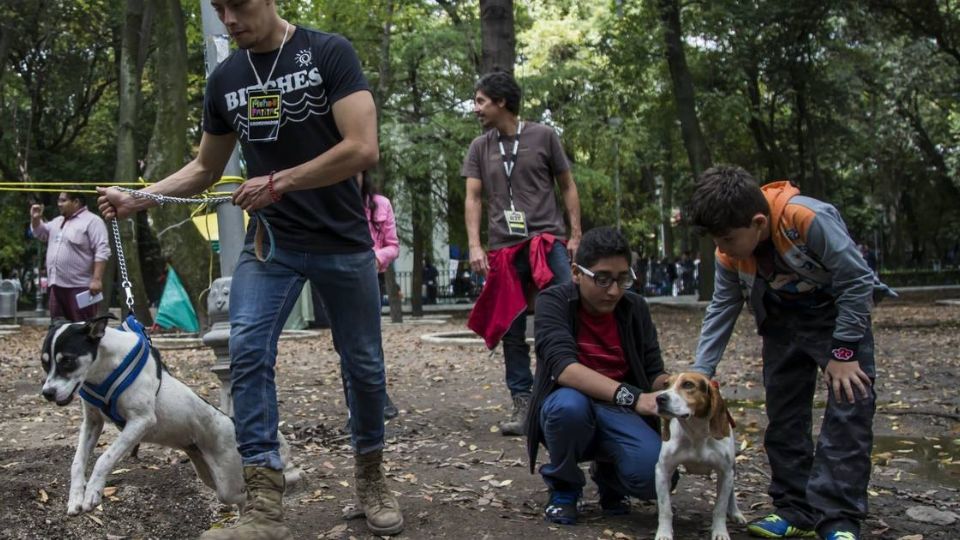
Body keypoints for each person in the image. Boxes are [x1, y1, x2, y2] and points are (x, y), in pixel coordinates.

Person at [96, 1, 403, 537]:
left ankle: (371, 477)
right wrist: (139, 197)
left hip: (342, 242)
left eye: (238, 4)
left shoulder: (329, 52)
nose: (230, 18)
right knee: (247, 350)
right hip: (272, 246)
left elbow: (362, 148)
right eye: (220, 8)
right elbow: (204, 167)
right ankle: (264, 505)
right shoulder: (228, 78)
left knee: (364, 368)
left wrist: (278, 181)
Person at [687, 166, 894, 540]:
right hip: (780, 317)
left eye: (728, 239)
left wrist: (844, 352)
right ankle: (796, 509)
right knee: (784, 414)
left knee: (849, 408)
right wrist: (702, 369)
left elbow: (856, 280)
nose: (722, 248)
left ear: (758, 221)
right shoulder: (728, 254)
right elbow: (723, 304)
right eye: (717, 240)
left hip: (838, 314)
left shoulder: (807, 218)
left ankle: (839, 518)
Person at [463, 71, 583, 436]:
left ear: (501, 102)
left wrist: (576, 234)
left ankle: (566, 391)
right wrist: (474, 245)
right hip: (503, 246)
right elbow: (473, 198)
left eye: (482, 101)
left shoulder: (544, 136)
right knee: (511, 329)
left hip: (547, 243)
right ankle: (524, 404)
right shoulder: (479, 147)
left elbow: (567, 185)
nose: (476, 108)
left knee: (565, 316)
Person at [525, 227, 670, 525]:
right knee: (567, 408)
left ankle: (610, 476)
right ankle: (564, 488)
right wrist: (636, 397)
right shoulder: (553, 302)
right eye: (602, 279)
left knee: (655, 477)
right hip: (571, 402)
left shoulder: (635, 308)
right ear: (577, 273)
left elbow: (653, 371)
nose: (614, 290)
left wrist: (677, 388)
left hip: (620, 410)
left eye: (622, 279)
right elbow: (563, 368)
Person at [29, 192, 110, 321]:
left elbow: (102, 250)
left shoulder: (93, 221)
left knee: (83, 328)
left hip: (81, 288)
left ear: (76, 202)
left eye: (63, 201)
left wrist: (97, 279)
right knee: (58, 328)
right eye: (59, 200)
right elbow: (40, 233)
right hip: (56, 286)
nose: (59, 204)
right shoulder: (57, 221)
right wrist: (35, 219)